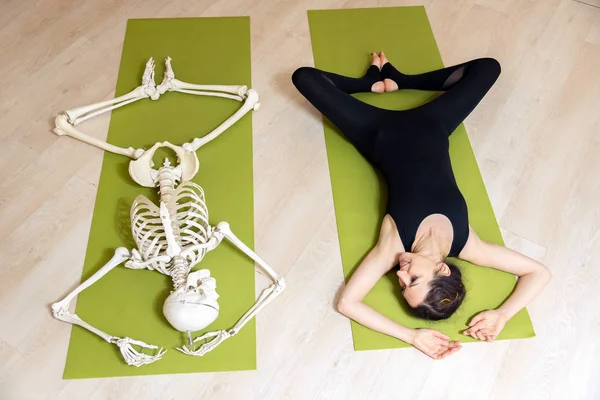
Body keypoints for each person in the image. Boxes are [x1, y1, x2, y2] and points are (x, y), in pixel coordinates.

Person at [292, 52, 551, 359]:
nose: (400, 276)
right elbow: (539, 273)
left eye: (402, 287)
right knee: (489, 67)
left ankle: (367, 84)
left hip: (374, 130)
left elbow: (347, 303)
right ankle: (402, 80)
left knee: (304, 78)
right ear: (442, 268)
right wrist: (503, 315)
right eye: (413, 279)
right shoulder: (469, 245)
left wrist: (412, 336)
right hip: (435, 124)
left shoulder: (392, 247)